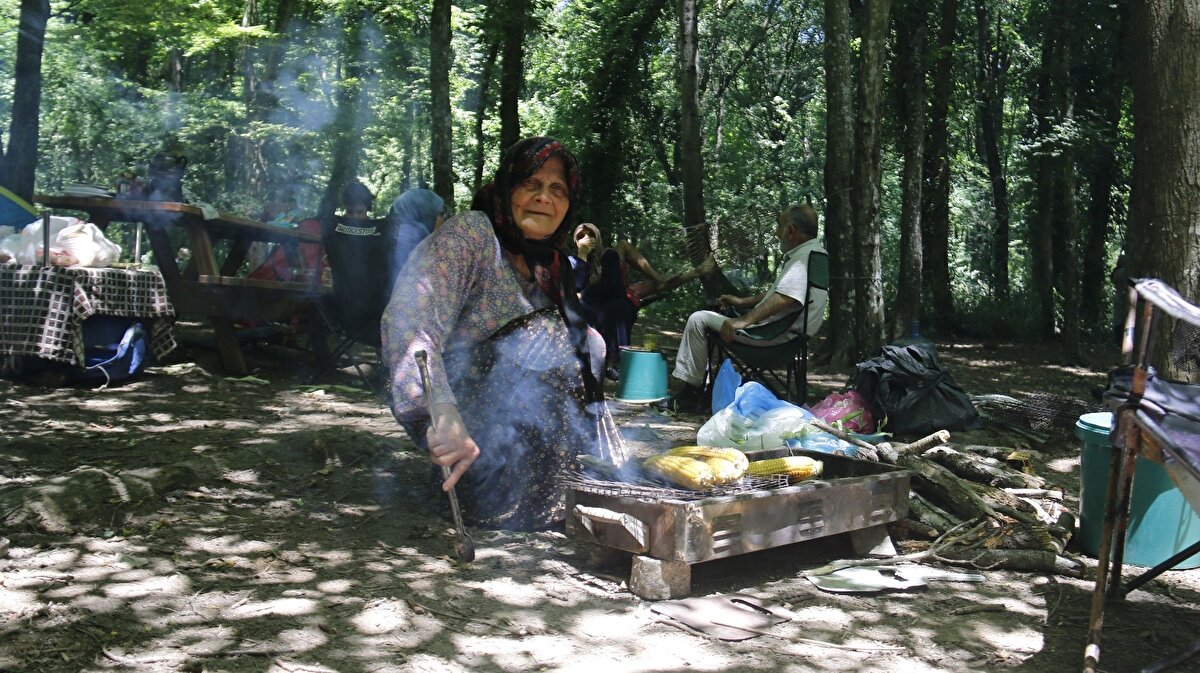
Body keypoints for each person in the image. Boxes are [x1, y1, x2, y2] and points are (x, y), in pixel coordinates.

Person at [382, 137, 627, 531]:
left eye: (557, 189)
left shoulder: (552, 265)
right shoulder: (472, 235)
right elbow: (409, 318)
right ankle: (487, 492)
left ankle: (553, 491)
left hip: (533, 461)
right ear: (507, 187)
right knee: (547, 336)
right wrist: (440, 409)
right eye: (531, 184)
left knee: (588, 340)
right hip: (471, 439)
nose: (544, 198)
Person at [654, 204, 828, 413]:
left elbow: (785, 298)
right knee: (717, 315)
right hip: (792, 337)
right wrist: (742, 302)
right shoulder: (815, 254)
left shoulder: (802, 258)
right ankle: (701, 389)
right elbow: (778, 292)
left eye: (779, 227)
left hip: (772, 337)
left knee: (698, 319)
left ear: (790, 230)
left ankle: (690, 395)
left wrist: (743, 321)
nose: (777, 232)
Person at [569, 222, 638, 381]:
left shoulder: (609, 255)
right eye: (581, 236)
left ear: (597, 237)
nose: (586, 238)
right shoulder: (572, 261)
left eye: (590, 235)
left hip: (610, 301)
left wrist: (584, 295)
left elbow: (611, 285)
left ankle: (617, 362)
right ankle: (589, 362)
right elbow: (576, 286)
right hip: (589, 305)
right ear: (576, 241)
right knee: (580, 310)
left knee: (618, 310)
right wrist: (582, 257)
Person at [388, 187, 444, 278]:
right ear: (427, 213)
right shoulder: (413, 238)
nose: (443, 220)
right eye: (440, 214)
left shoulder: (397, 233)